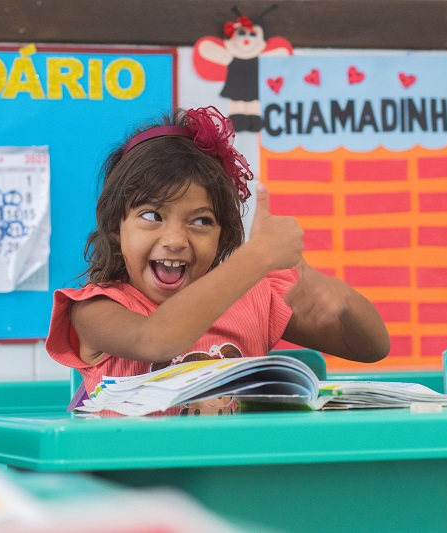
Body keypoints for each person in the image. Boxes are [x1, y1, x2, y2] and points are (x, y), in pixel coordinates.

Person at [46, 106, 390, 396]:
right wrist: (257, 256)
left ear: (222, 237)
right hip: (132, 460)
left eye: (201, 221)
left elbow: (371, 349)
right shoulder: (94, 310)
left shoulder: (257, 299)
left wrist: (344, 301)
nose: (176, 240)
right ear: (115, 227)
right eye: (152, 216)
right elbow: (154, 340)